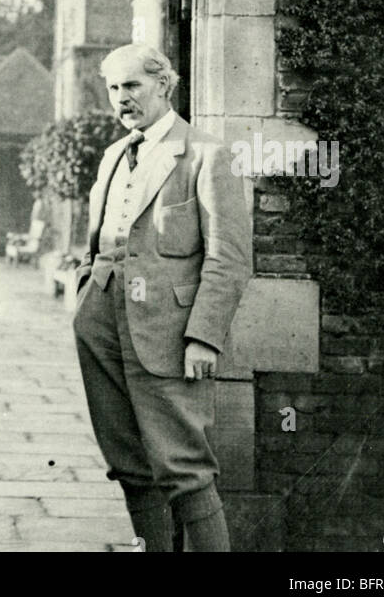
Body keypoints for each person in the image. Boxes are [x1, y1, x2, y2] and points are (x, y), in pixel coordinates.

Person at [73, 43, 251, 552]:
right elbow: (97, 244)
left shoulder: (206, 155)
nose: (122, 98)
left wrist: (203, 338)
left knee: (184, 467)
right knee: (129, 464)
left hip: (169, 336)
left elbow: (229, 257)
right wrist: (87, 298)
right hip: (102, 327)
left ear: (163, 85)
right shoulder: (113, 156)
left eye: (132, 85)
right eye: (113, 88)